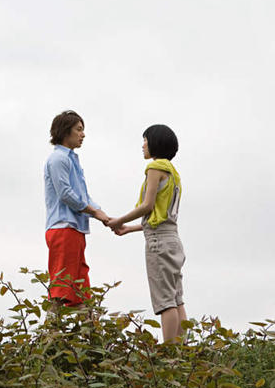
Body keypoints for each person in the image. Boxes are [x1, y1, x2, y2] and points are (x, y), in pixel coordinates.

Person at [107, 124, 187, 343]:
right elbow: (161, 217)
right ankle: (184, 354)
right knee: (177, 299)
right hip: (173, 240)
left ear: (155, 143)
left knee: (165, 302)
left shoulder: (155, 168)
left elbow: (148, 206)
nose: (143, 145)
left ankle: (169, 355)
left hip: (158, 243)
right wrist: (130, 228)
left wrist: (119, 220)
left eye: (145, 140)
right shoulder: (174, 173)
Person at [44, 110, 110, 306]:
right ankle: (51, 334)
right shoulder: (58, 159)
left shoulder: (72, 159)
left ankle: (84, 334)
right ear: (66, 131)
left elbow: (83, 195)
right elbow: (66, 194)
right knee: (61, 289)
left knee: (80, 291)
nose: (83, 134)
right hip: (64, 228)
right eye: (79, 129)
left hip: (75, 229)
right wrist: (96, 212)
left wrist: (103, 216)